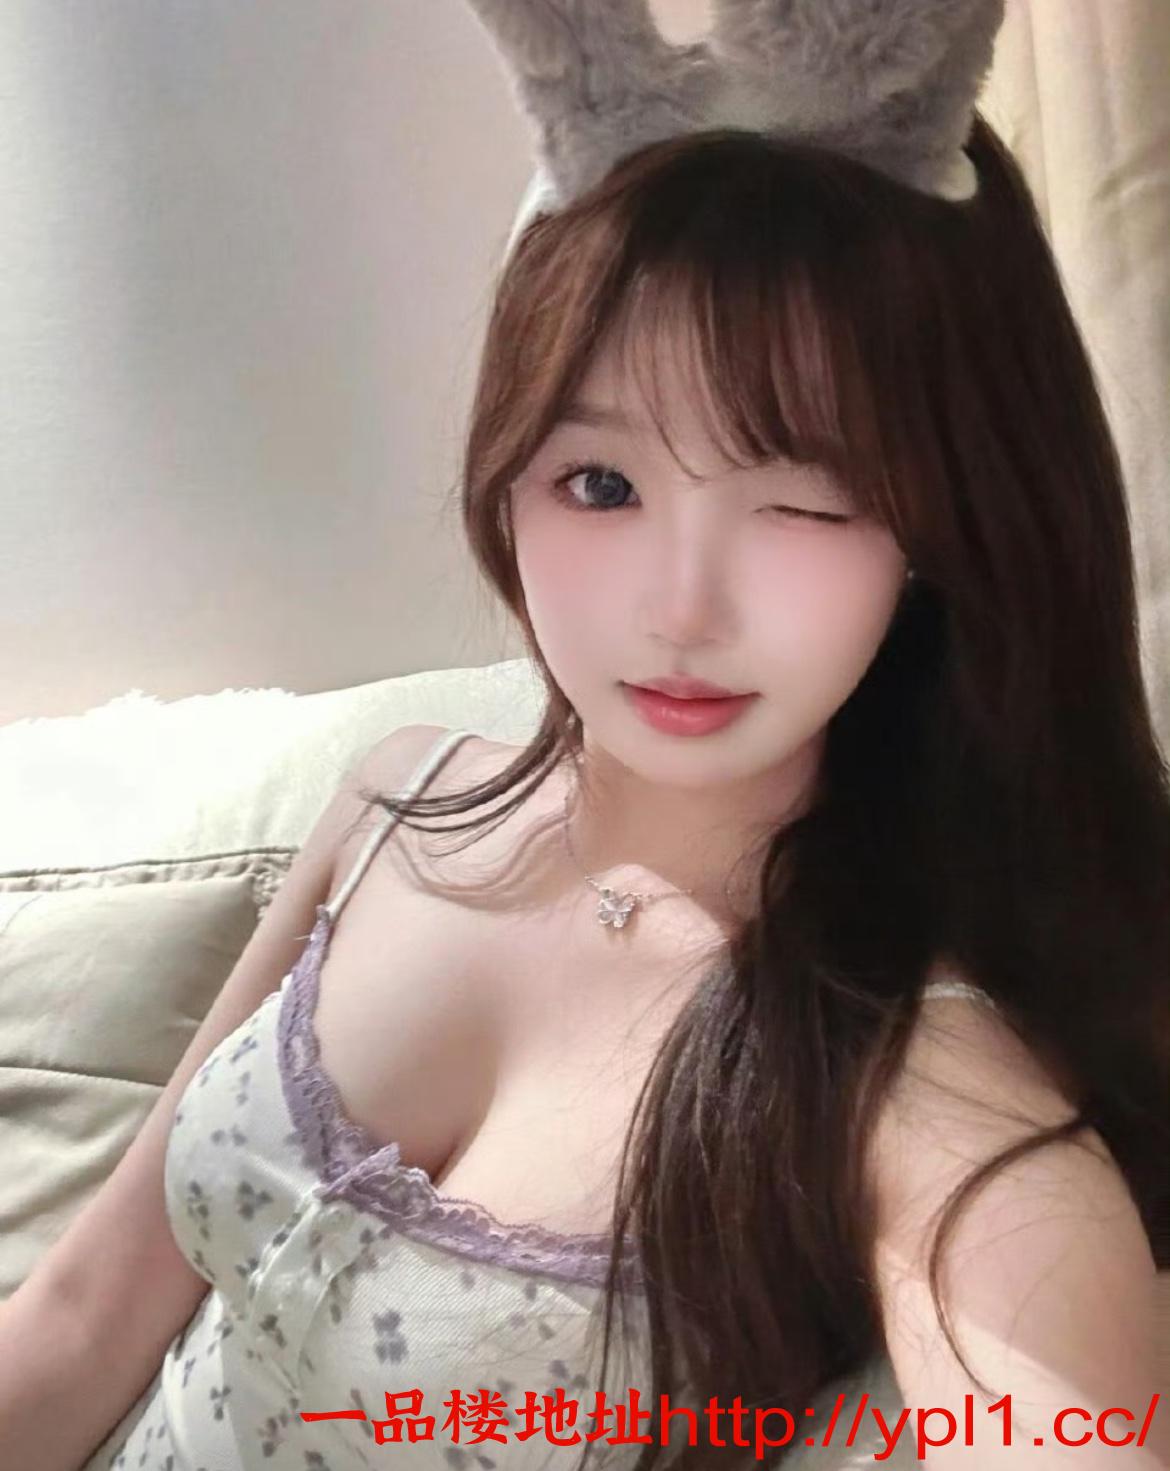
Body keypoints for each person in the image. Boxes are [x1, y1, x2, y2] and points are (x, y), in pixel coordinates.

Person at [1, 68, 1167, 1471]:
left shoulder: (923, 1087)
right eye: (599, 484)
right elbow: (83, 1315)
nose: (679, 609)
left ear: (938, 526)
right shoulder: (397, 803)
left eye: (805, 501)